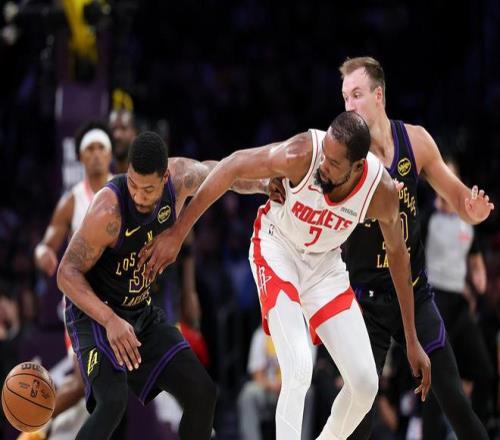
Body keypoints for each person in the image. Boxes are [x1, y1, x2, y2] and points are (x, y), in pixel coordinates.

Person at [137, 111, 431, 440]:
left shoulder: (381, 192)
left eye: (334, 163)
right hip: (278, 250)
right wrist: (178, 233)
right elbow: (232, 165)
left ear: (358, 167)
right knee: (299, 368)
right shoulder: (302, 153)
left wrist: (411, 338)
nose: (324, 166)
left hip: (324, 267)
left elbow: (399, 257)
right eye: (325, 155)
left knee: (365, 385)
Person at [285, 56, 492, 440]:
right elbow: (310, 193)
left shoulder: (416, 141)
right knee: (359, 418)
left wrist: (474, 211)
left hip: (414, 291)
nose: (349, 105)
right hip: (365, 301)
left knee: (454, 400)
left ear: (378, 96)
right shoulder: (342, 154)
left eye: (357, 95)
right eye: (345, 97)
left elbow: (460, 198)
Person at [57, 131, 266, 440]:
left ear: (165, 177)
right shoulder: (107, 210)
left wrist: (264, 185)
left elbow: (226, 173)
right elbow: (66, 273)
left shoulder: (180, 177)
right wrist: (110, 320)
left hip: (138, 311)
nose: (139, 197)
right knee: (112, 403)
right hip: (96, 315)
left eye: (148, 189)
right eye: (133, 185)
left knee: (203, 393)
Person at [424, 158, 494, 435]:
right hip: (433, 302)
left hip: (458, 304)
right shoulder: (428, 217)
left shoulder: (467, 222)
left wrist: (479, 277)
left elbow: (475, 260)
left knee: (484, 370)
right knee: (436, 381)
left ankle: (481, 430)